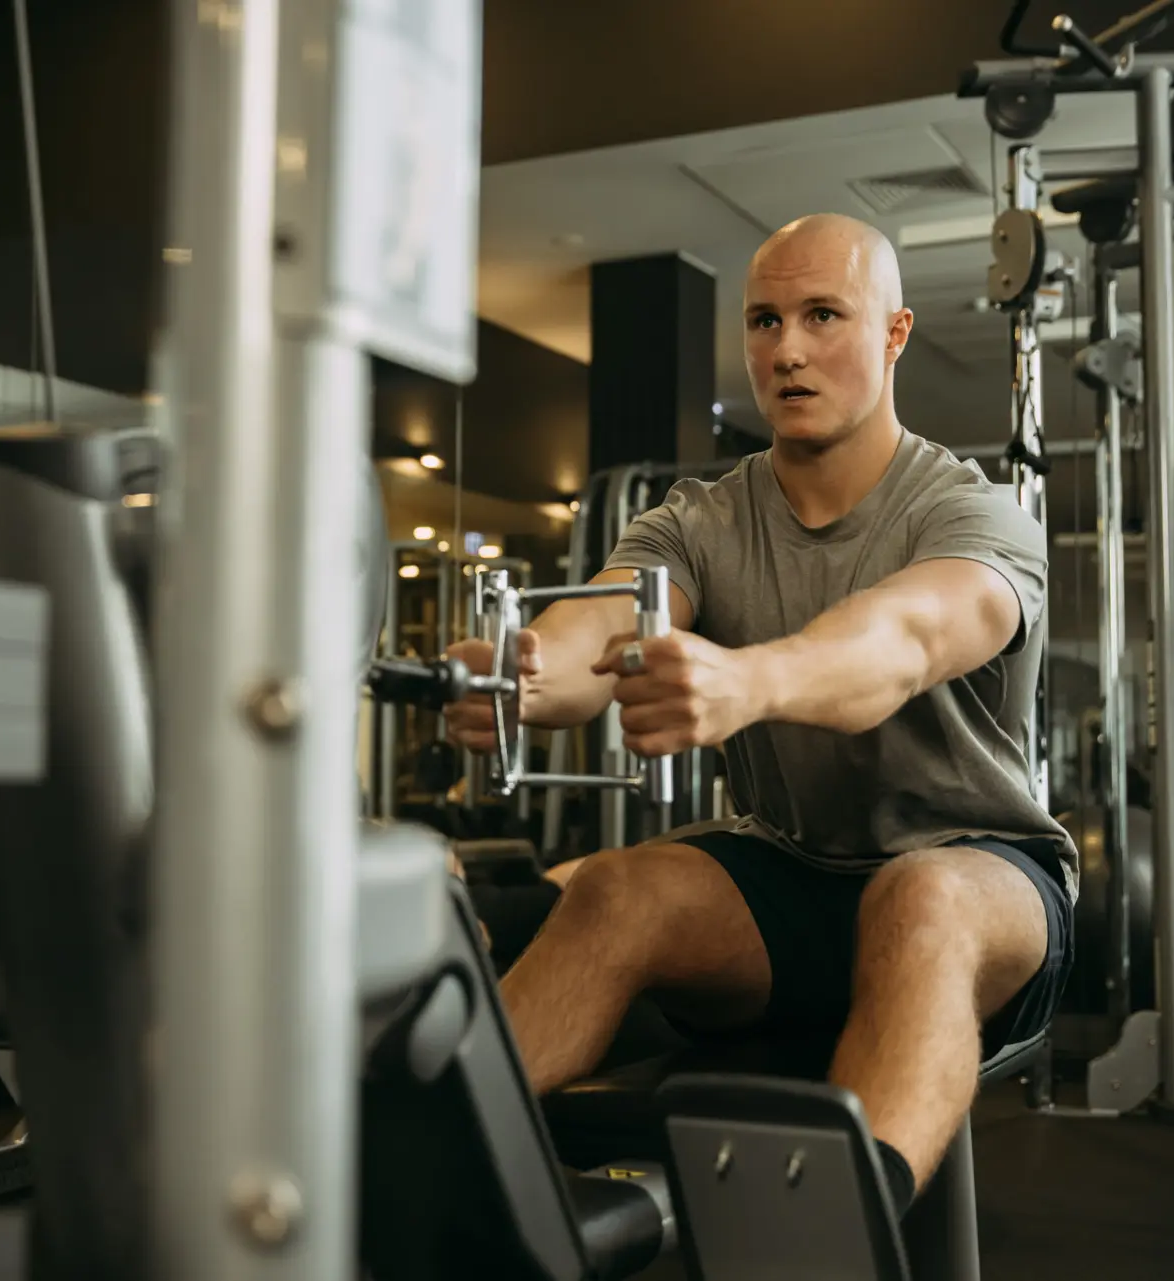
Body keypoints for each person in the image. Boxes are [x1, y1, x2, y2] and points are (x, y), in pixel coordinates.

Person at [445, 212, 1076, 1220]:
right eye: (765, 321)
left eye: (823, 315)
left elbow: (899, 642)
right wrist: (516, 682)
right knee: (614, 889)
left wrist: (746, 681)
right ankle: (422, 1179)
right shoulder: (698, 520)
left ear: (894, 333)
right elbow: (597, 636)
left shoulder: (972, 513)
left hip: (983, 874)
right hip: (790, 880)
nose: (786, 349)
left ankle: (823, 1240)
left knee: (920, 902)